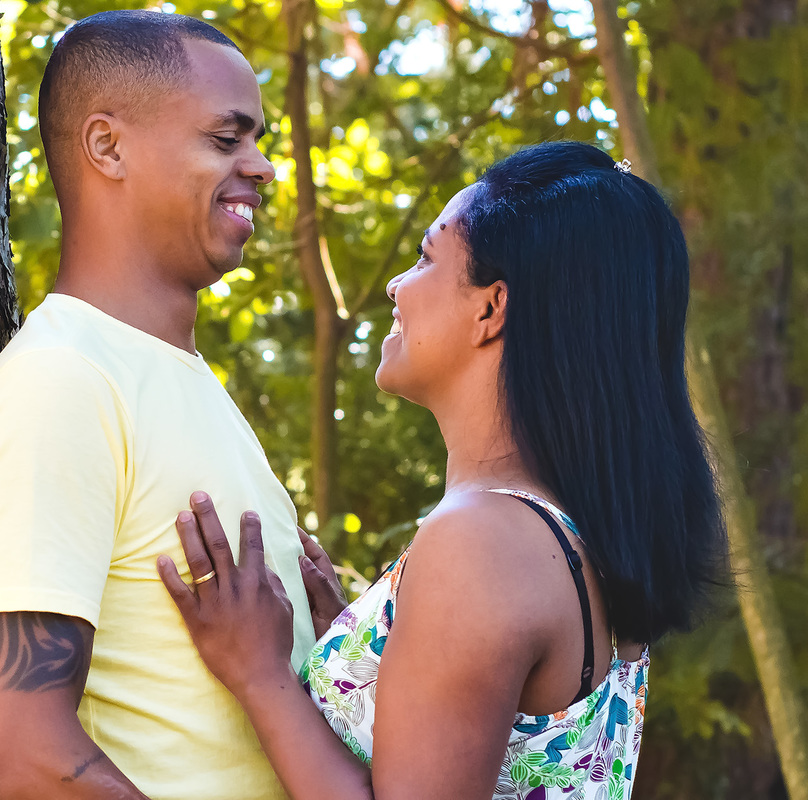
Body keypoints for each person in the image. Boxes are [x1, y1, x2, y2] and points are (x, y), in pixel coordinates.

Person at [156, 141, 727, 800]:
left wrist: (261, 675)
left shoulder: (483, 544)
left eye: (427, 257)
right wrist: (369, 666)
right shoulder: (567, 538)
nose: (399, 285)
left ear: (491, 309)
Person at [0, 11, 320, 799]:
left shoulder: (186, 384)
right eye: (227, 140)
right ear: (107, 147)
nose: (263, 168)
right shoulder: (62, 382)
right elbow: (22, 758)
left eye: (258, 141)